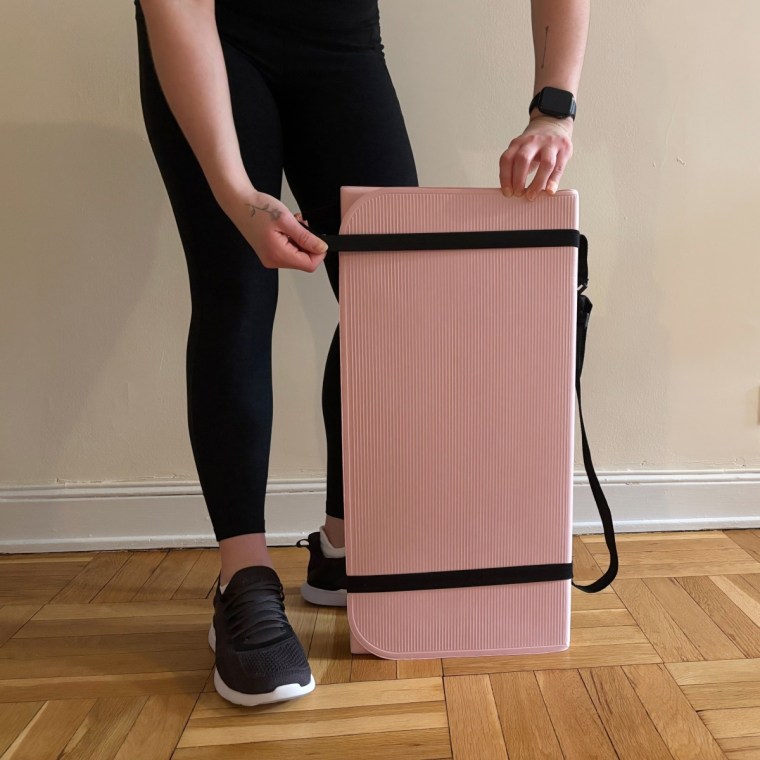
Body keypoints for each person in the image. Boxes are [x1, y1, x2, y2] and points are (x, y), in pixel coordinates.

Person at [134, 0, 588, 707]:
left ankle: (344, 545)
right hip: (211, 34)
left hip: (340, 37)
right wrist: (235, 192)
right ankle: (244, 579)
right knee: (237, 291)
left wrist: (553, 109)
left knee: (392, 295)